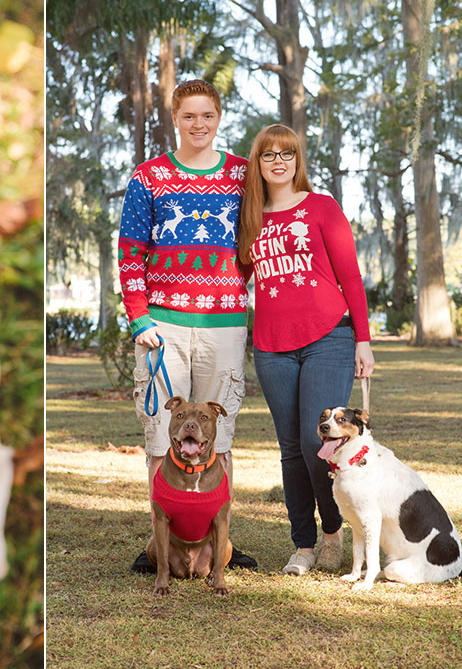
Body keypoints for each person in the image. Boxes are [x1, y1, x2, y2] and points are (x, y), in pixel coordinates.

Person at [118, 79, 256, 571]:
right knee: (163, 433)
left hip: (223, 324)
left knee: (220, 436)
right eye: (189, 116)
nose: (199, 125)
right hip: (164, 325)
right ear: (174, 119)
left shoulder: (243, 175)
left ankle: (220, 547)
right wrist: (139, 319)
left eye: (208, 116)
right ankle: (163, 545)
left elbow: (262, 237)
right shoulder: (150, 176)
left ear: (220, 119)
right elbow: (131, 252)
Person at [238, 123, 375, 575]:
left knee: (319, 439)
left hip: (328, 337)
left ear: (298, 161)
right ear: (257, 163)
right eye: (268, 155)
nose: (278, 162)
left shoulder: (321, 207)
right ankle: (302, 543)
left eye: (287, 154)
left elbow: (350, 276)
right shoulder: (249, 216)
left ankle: (333, 532)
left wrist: (363, 339)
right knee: (289, 448)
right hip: (272, 346)